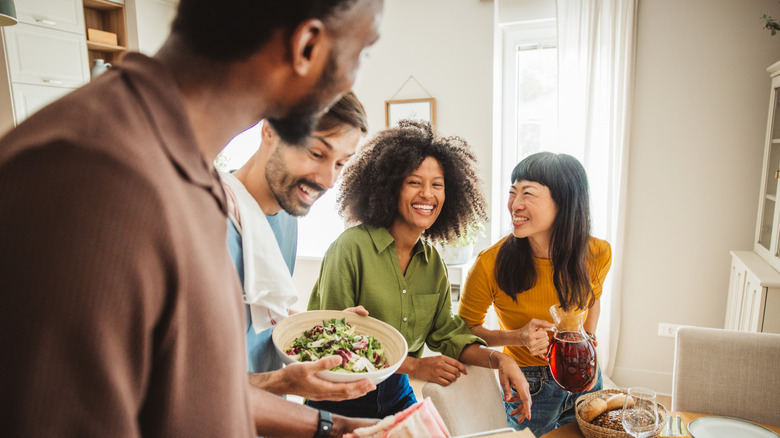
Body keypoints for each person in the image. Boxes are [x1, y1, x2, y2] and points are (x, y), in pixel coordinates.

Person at [0, 1, 383, 436]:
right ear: (307, 46)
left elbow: (189, 390)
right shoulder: (89, 176)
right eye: (363, 52)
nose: (356, 76)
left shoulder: (189, 177)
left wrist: (332, 427)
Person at [306, 120, 533, 421]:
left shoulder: (433, 263)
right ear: (390, 187)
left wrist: (499, 360)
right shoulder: (350, 249)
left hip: (396, 392)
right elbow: (334, 341)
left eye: (437, 184)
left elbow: (448, 336)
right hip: (339, 395)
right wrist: (415, 366)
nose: (428, 194)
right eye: (414, 182)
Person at [221, 91, 377, 402]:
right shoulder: (211, 222)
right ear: (269, 130)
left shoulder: (287, 217)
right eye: (317, 154)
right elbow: (184, 382)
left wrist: (325, 331)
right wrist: (281, 382)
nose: (328, 180)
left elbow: (263, 308)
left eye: (340, 164)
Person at [457, 151, 612, 437]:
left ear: (564, 202)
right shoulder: (490, 263)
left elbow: (593, 300)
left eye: (528, 193)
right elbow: (465, 330)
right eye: (513, 193)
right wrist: (516, 337)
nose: (514, 204)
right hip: (531, 383)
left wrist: (588, 343)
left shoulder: (597, 252)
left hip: (586, 375)